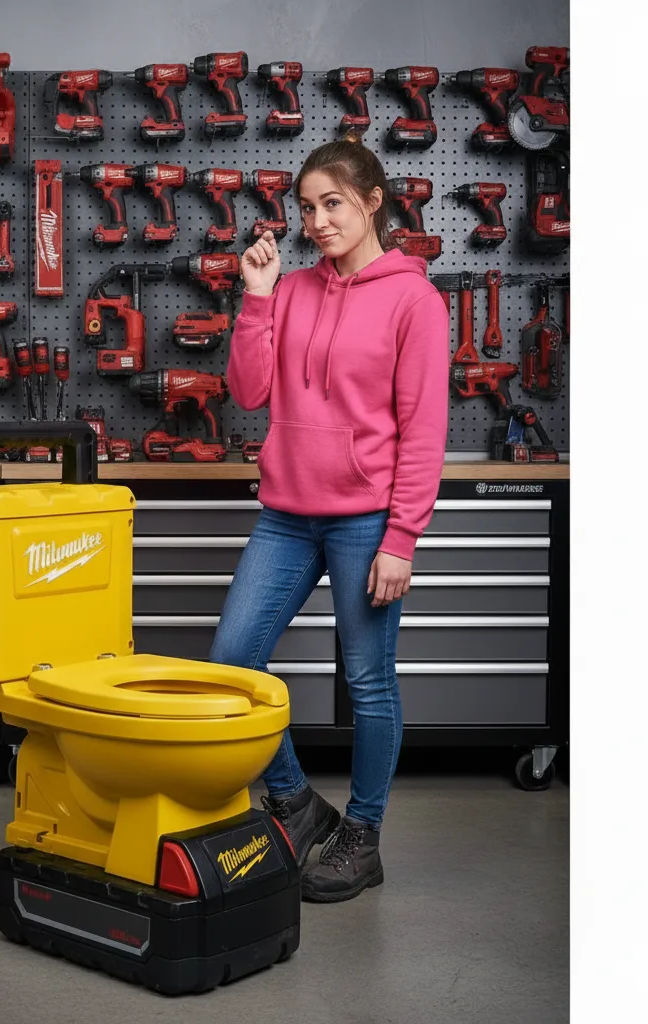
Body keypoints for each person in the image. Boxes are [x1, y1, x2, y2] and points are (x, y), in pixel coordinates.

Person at [209, 132, 450, 904]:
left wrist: (401, 538)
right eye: (307, 207)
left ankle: (363, 835)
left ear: (374, 201)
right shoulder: (294, 288)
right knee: (233, 661)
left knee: (369, 681)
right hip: (286, 513)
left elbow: (424, 431)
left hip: (364, 521)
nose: (316, 221)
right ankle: (295, 801)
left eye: (333, 204)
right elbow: (247, 392)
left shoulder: (414, 299)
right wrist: (256, 298)